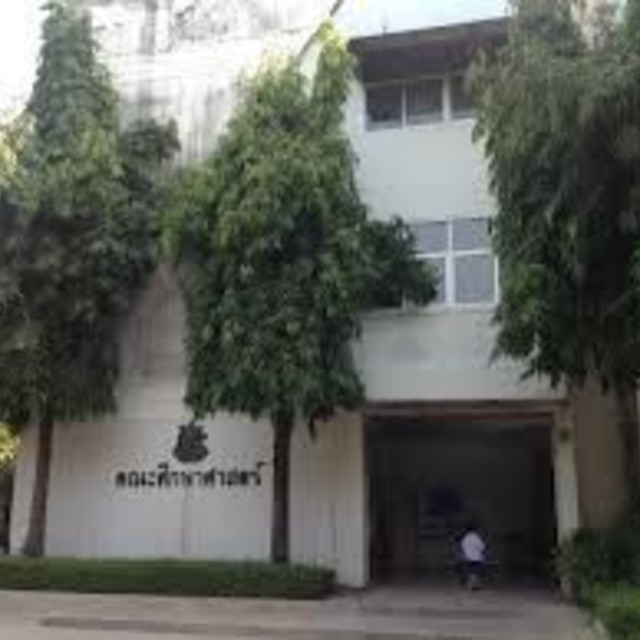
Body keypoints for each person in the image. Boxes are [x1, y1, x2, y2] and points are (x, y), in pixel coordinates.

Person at [460, 522, 486, 591]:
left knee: (470, 572)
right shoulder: (476, 537)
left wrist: (466, 553)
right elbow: (482, 547)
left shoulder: (465, 538)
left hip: (467, 557)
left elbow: (462, 547)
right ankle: (471, 585)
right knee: (475, 572)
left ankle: (473, 585)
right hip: (476, 558)